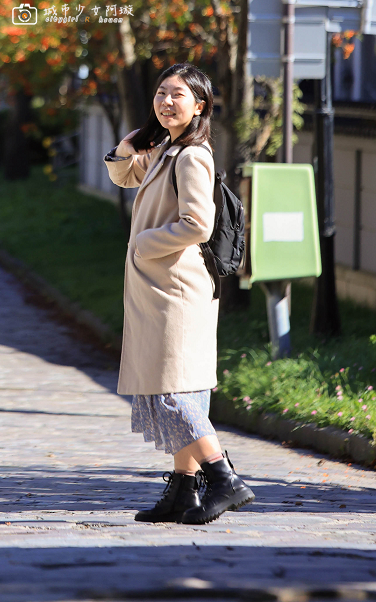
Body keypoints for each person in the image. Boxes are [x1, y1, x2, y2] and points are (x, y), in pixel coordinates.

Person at [104, 63, 254, 525]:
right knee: (174, 385)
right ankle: (184, 490)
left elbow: (197, 223)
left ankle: (223, 478)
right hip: (161, 287)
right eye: (161, 93)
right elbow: (126, 177)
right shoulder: (170, 149)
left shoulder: (193, 156)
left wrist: (142, 244)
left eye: (178, 95)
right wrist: (127, 147)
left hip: (177, 288)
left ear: (199, 106)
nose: (166, 102)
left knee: (171, 391)